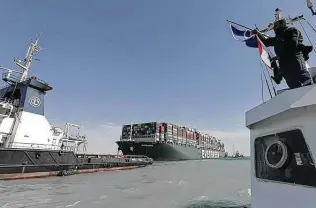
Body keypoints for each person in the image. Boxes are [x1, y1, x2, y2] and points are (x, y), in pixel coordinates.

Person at [252, 18, 313, 89]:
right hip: (284, 64)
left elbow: (293, 44)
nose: (274, 28)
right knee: (293, 86)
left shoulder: (291, 30)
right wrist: (258, 33)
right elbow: (267, 42)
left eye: (276, 25)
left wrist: (280, 56)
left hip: (295, 60)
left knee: (304, 79)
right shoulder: (277, 38)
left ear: (282, 24)